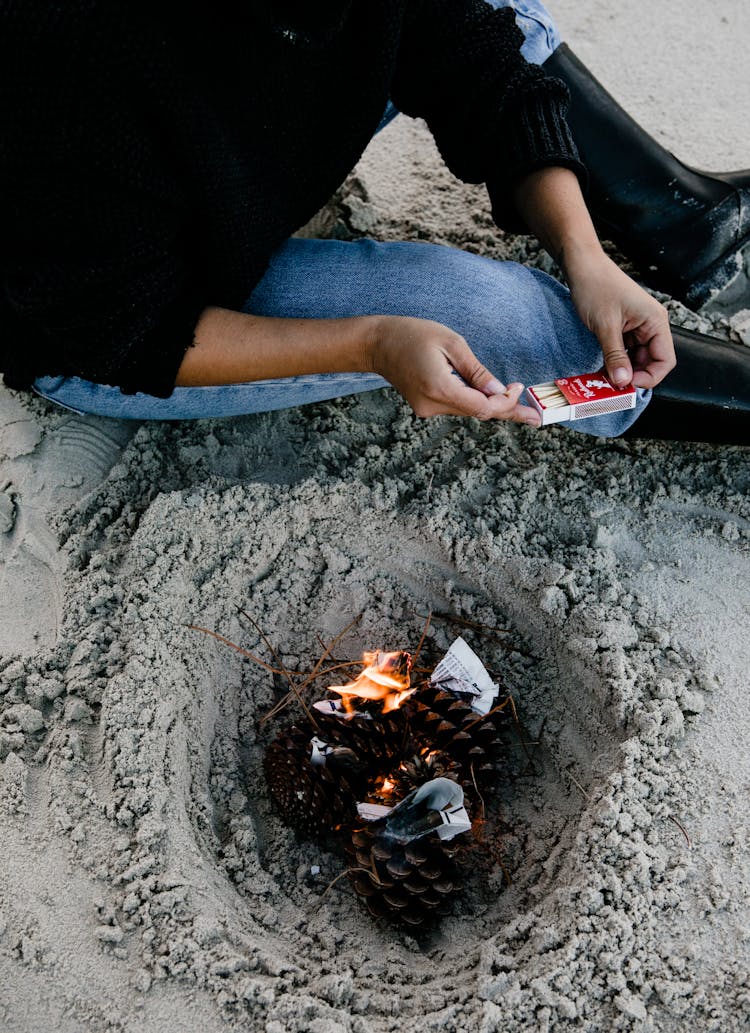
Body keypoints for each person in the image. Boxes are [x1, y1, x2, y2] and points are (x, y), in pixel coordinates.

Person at [0, 2, 743, 441]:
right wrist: (372, 341)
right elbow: (117, 329)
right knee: (494, 318)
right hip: (111, 317)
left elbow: (473, 59)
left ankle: (679, 221)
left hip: (223, 158)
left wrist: (586, 256)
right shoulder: (68, 68)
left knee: (509, 11)